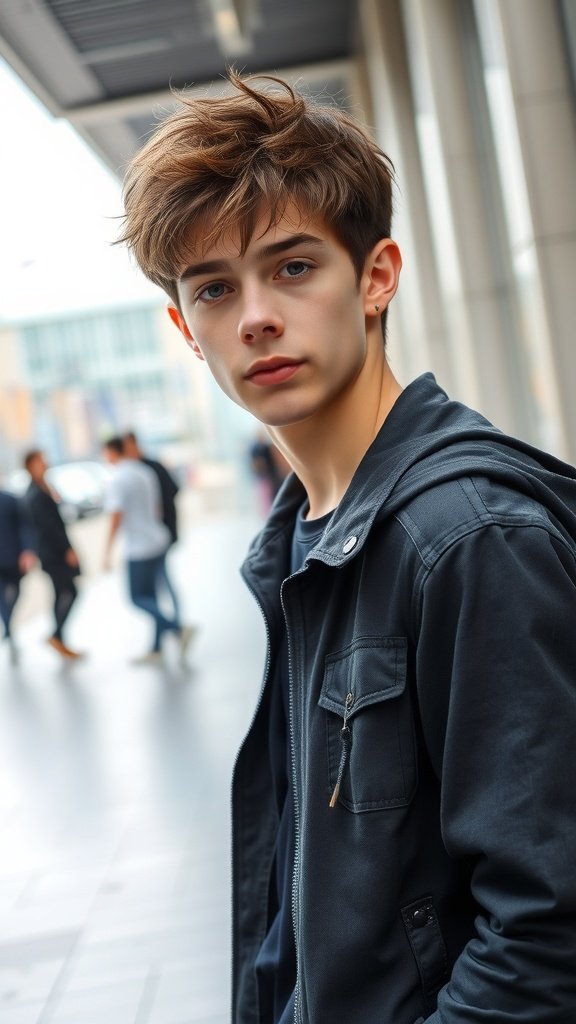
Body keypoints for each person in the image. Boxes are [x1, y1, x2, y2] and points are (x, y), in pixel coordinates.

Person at [118, 71, 576, 1023]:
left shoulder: (468, 538)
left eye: (293, 267)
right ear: (186, 331)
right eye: (213, 289)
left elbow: (545, 931)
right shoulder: (300, 540)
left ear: (375, 277)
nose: (254, 317)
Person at [102, 437, 192, 664]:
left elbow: (115, 518)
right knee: (152, 596)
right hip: (157, 539)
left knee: (137, 598)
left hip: (139, 548)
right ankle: (156, 648)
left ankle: (178, 628)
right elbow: (158, 507)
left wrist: (107, 551)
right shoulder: (144, 472)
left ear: (112, 452)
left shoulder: (118, 479)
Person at [23, 450, 84, 660]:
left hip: (52, 552)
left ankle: (58, 637)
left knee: (61, 593)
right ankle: (57, 635)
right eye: (41, 460)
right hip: (53, 554)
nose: (45, 463)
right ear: (31, 465)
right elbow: (50, 527)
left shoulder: (42, 488)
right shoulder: (36, 494)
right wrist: (67, 549)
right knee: (70, 591)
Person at [122, 430, 181, 618]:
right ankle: (167, 628)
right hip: (150, 538)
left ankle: (176, 624)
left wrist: (159, 514)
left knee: (163, 580)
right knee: (156, 585)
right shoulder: (134, 470)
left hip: (158, 534)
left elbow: (172, 491)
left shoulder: (150, 467)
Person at [0, 487, 36, 663]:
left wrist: (28, 550)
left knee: (16, 591)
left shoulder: (10, 499)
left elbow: (25, 526)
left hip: (12, 557)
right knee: (1, 596)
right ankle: (7, 626)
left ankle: (7, 624)